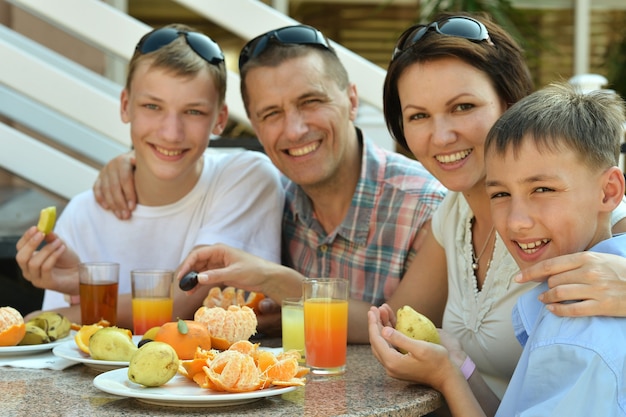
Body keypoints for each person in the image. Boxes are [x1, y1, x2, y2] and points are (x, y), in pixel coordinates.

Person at [93, 24, 447, 342]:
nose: (294, 129)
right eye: (271, 114)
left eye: (311, 102)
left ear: (351, 100)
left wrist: (281, 285)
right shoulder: (270, 193)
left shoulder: (425, 207)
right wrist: (131, 163)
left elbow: (402, 333)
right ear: (255, 128)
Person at [369, 11, 626, 401]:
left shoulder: (588, 215)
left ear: (511, 105)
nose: (441, 136)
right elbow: (399, 316)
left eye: (463, 107)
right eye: (418, 116)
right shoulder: (454, 211)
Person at [15, 24, 284, 329]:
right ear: (125, 105)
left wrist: (67, 312)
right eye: (152, 106)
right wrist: (78, 290)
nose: (171, 133)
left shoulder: (246, 177)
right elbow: (66, 349)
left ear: (220, 119)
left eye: (193, 112)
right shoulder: (81, 216)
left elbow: (186, 299)